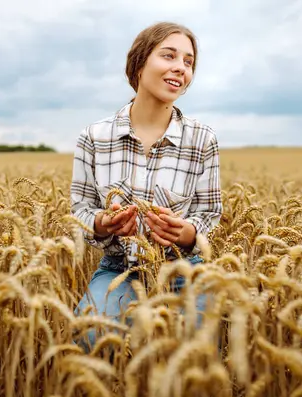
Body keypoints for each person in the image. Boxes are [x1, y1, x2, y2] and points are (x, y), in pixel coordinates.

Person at [70, 21, 223, 351]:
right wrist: (102, 223)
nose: (180, 68)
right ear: (139, 63)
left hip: (185, 268)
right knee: (90, 335)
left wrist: (184, 232)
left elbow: (209, 213)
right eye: (169, 56)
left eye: (188, 61)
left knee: (197, 349)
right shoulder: (94, 137)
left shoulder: (202, 139)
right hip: (119, 268)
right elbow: (80, 209)